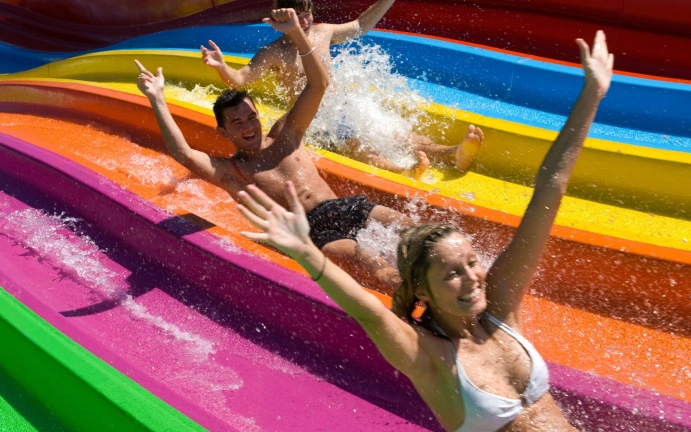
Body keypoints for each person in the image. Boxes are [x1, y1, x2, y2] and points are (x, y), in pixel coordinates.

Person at [235, 31, 613, 431]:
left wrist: (592, 95)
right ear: (421, 290)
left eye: (472, 262)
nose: (473, 277)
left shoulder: (500, 308)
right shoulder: (426, 356)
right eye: (453, 273)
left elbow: (549, 189)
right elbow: (365, 310)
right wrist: (304, 251)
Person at [135, 8, 410, 295]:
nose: (248, 126)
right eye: (237, 123)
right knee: (373, 266)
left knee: (414, 231)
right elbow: (183, 154)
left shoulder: (286, 134)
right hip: (311, 232)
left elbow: (318, 85)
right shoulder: (232, 172)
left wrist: (296, 33)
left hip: (343, 207)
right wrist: (157, 99)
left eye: (251, 117)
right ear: (224, 132)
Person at [201, 0, 484, 179]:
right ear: (279, 21)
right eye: (297, 17)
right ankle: (402, 171)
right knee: (355, 143)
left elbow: (361, 25)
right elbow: (241, 79)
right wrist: (221, 67)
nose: (304, 22)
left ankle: (452, 153)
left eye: (306, 15)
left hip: (343, 107)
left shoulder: (323, 32)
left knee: (396, 132)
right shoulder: (274, 52)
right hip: (314, 120)